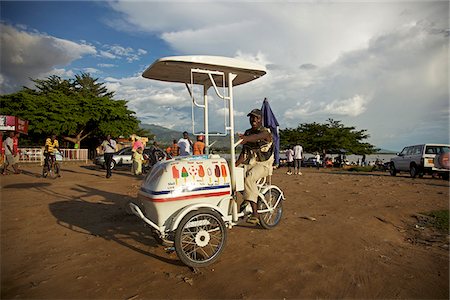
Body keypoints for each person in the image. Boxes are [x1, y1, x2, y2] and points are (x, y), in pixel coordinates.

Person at [235, 108, 274, 225]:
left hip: (264, 164)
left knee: (249, 177)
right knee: (234, 177)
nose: (253, 120)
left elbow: (257, 137)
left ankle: (255, 214)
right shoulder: (248, 132)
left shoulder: (266, 132)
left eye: (256, 118)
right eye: (252, 117)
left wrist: (246, 139)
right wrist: (234, 165)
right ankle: (248, 198)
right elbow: (244, 153)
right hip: (251, 162)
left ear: (261, 119)